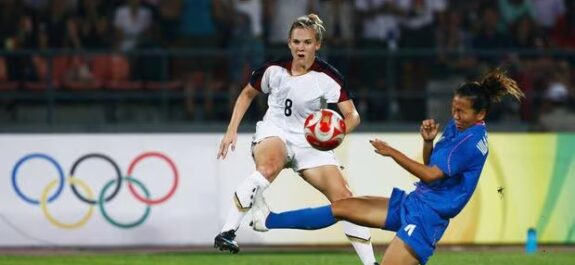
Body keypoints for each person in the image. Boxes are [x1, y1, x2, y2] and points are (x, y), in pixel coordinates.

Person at [249, 69, 525, 265]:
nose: (455, 115)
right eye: (454, 108)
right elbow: (432, 167)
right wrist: (428, 142)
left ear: (481, 114)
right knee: (343, 207)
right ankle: (267, 220)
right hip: (416, 202)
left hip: (427, 219)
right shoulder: (461, 126)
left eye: (461, 111)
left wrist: (391, 152)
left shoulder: (471, 140)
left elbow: (429, 174)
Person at [214, 13, 378, 265]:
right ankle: (227, 232)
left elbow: (352, 115)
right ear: (289, 43)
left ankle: (370, 264)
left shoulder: (328, 77)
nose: (301, 48)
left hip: (311, 141)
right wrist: (231, 129)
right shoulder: (274, 70)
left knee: (345, 200)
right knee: (268, 167)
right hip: (275, 131)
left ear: (317, 45)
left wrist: (336, 132)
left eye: (307, 42)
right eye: (297, 42)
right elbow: (247, 94)